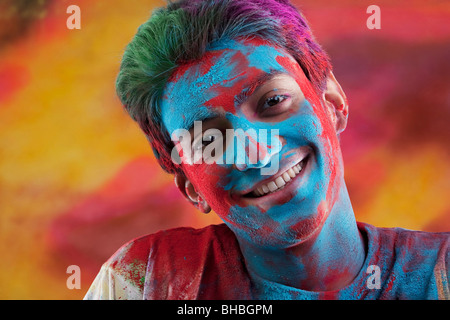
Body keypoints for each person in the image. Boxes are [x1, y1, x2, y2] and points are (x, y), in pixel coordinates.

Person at [84, 0, 449, 300]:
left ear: (333, 102)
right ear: (190, 186)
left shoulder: (441, 273)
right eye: (210, 140)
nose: (257, 154)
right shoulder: (144, 282)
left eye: (273, 100)